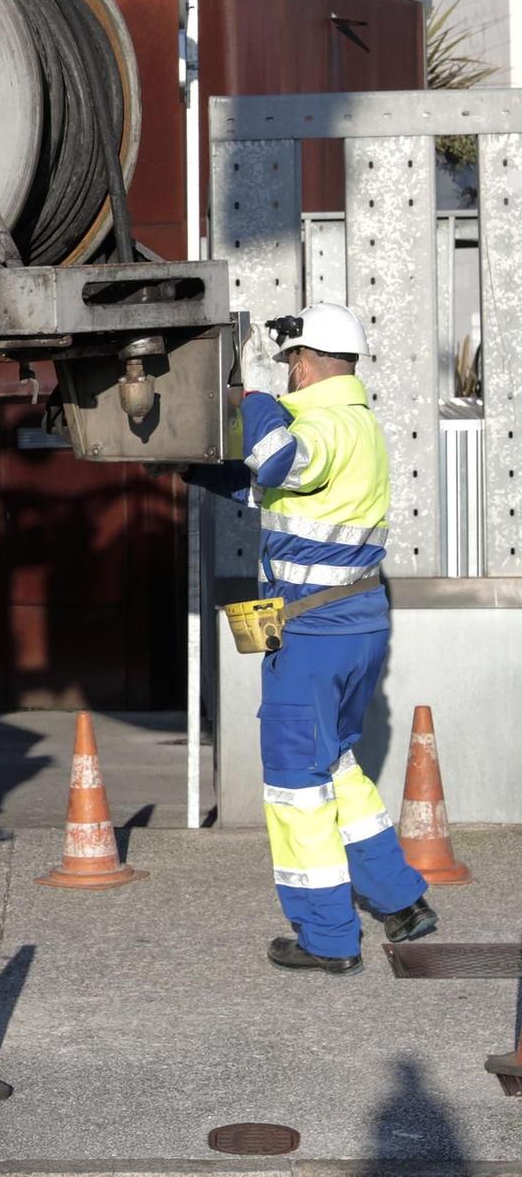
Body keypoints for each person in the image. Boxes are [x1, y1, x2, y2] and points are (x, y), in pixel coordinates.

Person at [215, 303, 437, 974]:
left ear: (306, 361)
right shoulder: (357, 425)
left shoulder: (320, 422)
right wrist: (188, 468)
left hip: (312, 630)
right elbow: (278, 489)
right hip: (355, 622)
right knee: (337, 762)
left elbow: (279, 460)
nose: (287, 376)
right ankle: (401, 901)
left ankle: (327, 936)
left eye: (289, 365)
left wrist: (248, 398)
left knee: (295, 783)